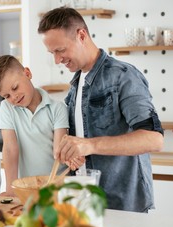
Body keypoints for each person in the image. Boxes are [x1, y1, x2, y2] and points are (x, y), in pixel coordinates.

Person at [38, 7, 164, 212]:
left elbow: (154, 139)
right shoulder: (76, 84)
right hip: (85, 203)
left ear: (81, 35)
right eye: (52, 53)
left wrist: (89, 145)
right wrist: (72, 151)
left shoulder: (123, 76)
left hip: (123, 205)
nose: (57, 60)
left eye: (60, 50)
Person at [0, 55, 81, 196]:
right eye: (7, 96)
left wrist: (69, 157)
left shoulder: (58, 108)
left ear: (27, 74)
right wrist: (10, 189)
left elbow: (59, 149)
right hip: (27, 187)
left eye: (15, 87)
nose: (14, 97)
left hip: (57, 187)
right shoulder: (7, 108)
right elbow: (10, 149)